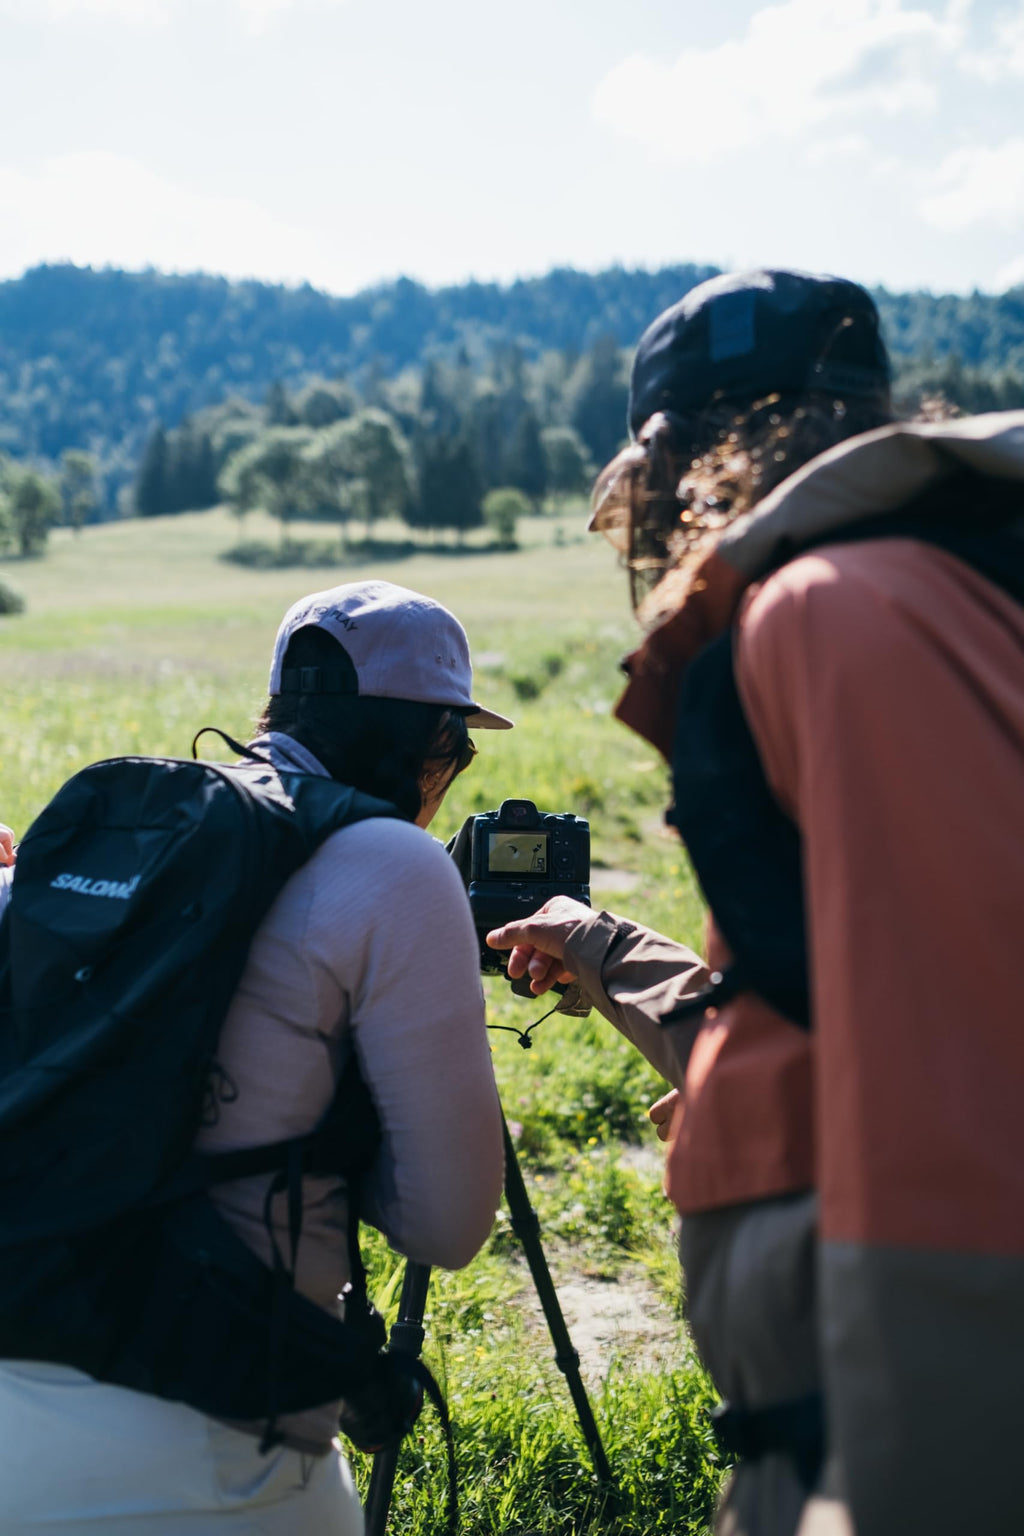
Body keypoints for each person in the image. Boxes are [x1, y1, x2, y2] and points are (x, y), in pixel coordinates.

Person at [487, 269, 1024, 1536]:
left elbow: (954, 1078)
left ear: (675, 461)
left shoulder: (837, 612)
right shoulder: (947, 591)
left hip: (890, 1438)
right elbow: (840, 1016)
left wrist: (907, 1491)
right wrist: (607, 951)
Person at [0, 579, 509, 1534]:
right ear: (418, 743)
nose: (454, 775)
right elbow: (446, 1227)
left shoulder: (141, 830)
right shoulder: (395, 865)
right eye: (456, 745)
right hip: (211, 1441)